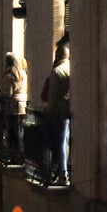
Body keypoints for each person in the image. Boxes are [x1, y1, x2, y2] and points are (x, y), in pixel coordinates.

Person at [41, 39, 72, 184]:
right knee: (64, 142)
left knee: (57, 143)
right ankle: (60, 171)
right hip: (67, 112)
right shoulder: (71, 69)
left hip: (57, 112)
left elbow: (52, 96)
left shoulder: (57, 71)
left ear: (58, 55)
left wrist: (49, 110)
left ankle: (62, 172)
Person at [4, 52, 29, 163]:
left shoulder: (10, 75)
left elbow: (8, 93)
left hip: (13, 107)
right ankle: (22, 156)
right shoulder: (23, 74)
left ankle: (13, 156)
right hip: (22, 106)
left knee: (12, 133)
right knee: (20, 132)